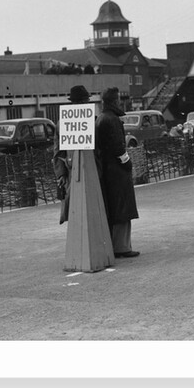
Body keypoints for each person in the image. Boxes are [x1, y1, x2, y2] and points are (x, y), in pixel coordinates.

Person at [95, 87, 140, 258]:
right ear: (114, 101)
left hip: (106, 170)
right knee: (122, 207)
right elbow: (118, 147)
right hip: (117, 171)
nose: (121, 102)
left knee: (114, 208)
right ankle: (122, 246)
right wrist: (127, 162)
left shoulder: (101, 118)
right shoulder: (112, 119)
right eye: (119, 99)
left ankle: (116, 245)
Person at [53, 85, 93, 224]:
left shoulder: (62, 122)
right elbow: (58, 152)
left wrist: (61, 173)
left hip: (81, 169)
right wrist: (61, 174)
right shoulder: (91, 120)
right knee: (76, 207)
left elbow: (57, 151)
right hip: (75, 170)